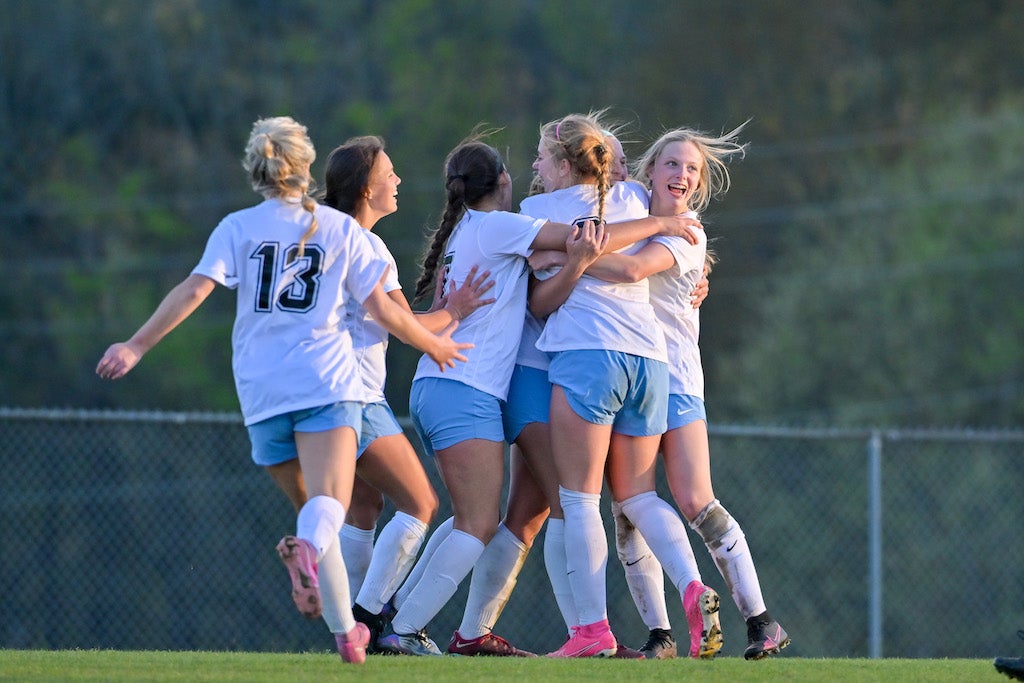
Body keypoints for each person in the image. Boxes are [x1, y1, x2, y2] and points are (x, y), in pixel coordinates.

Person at [94, 116, 471, 665]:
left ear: (257, 171)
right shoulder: (340, 231)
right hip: (328, 383)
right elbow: (384, 311)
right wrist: (436, 340)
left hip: (261, 391)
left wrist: (135, 345)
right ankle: (320, 569)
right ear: (306, 168)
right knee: (328, 508)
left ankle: (349, 638)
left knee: (320, 510)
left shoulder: (237, 228)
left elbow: (194, 290)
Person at [377, 134, 701, 656]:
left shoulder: (524, 214)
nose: (622, 170)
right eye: (614, 161)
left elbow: (588, 258)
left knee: (521, 517)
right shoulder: (540, 214)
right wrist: (664, 235)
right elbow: (588, 248)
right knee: (567, 506)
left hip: (505, 380)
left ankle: (449, 626)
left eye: (541, 154)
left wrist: (683, 271)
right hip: (524, 378)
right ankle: (589, 635)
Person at [584, 124, 791, 660]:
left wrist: (565, 253)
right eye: (672, 164)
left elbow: (631, 267)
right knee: (627, 508)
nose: (681, 174)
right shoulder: (632, 210)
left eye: (691, 169)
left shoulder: (685, 231)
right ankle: (661, 636)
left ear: (698, 186)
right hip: (630, 376)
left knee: (694, 499)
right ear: (650, 169)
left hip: (672, 380)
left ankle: (760, 619)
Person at [516, 111, 718, 659]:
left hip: (587, 359)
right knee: (638, 495)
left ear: (562, 163)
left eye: (541, 158)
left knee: (578, 500)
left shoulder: (534, 212)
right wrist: (674, 240)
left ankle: (591, 632)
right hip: (650, 363)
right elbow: (662, 248)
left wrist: (571, 258)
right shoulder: (631, 197)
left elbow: (540, 298)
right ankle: (694, 587)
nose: (535, 168)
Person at [319, 135, 495, 651]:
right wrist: (457, 309)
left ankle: (348, 631)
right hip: (353, 394)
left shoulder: (323, 235)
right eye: (389, 174)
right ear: (366, 187)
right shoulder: (366, 245)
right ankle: (367, 620)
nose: (397, 181)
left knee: (364, 506)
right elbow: (405, 324)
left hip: (312, 394)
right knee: (420, 502)